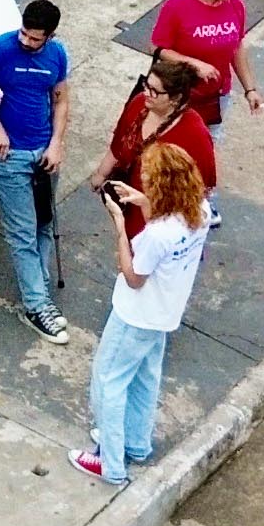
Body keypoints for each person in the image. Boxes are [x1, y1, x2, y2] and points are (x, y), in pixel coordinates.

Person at [80, 144, 208, 487]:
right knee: (145, 379)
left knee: (109, 381)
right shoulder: (200, 212)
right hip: (164, 315)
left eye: (149, 179)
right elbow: (167, 231)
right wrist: (141, 201)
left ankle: (109, 462)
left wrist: (120, 226)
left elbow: (134, 276)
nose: (144, 181)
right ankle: (136, 443)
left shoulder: (155, 235)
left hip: (134, 315)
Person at [0, 0, 72, 337]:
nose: (26, 41)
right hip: (10, 159)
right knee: (23, 233)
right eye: (24, 33)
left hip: (43, 153)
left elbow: (61, 98)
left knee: (43, 224)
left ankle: (38, 291)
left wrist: (56, 143)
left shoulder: (57, 55)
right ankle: (37, 306)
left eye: (35, 38)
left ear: (50, 36)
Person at [100, 54, 220, 236]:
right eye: (147, 86)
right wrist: (101, 174)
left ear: (175, 98)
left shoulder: (196, 134)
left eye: (155, 91)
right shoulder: (139, 103)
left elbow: (204, 184)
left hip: (163, 217)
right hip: (130, 204)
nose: (147, 93)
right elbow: (118, 143)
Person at [150, 0, 264, 124]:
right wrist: (194, 63)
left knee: (208, 141)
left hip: (216, 95)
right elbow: (157, 48)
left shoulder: (235, 5)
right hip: (179, 93)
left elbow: (236, 47)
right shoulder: (176, 7)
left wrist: (250, 89)